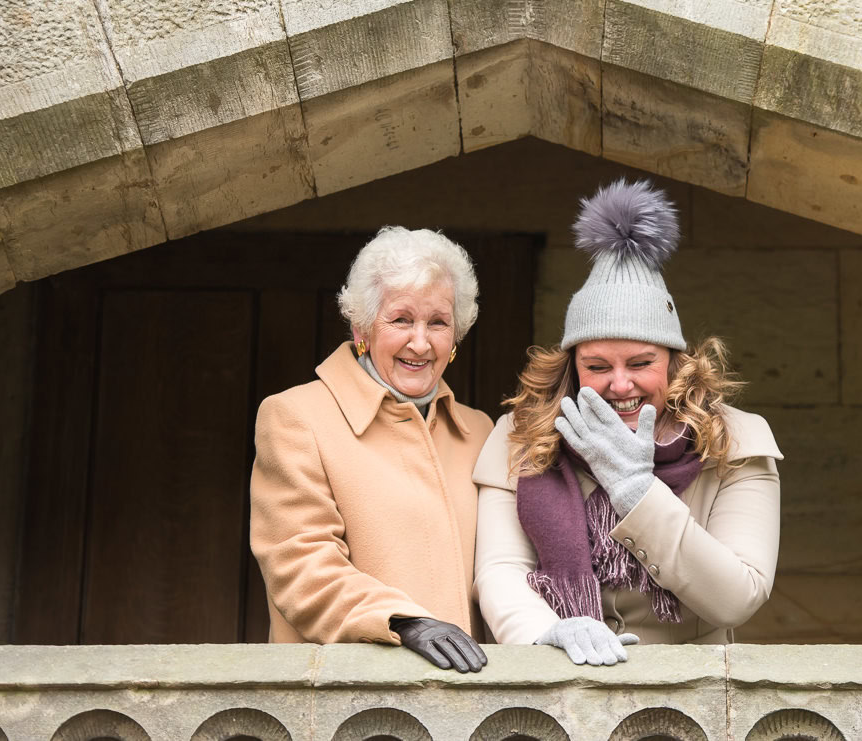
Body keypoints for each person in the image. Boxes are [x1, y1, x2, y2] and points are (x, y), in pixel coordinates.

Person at [473, 180, 783, 666]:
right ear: (572, 368)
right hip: (555, 680)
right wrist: (547, 631)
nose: (620, 385)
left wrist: (637, 490)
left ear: (675, 363)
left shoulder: (735, 440)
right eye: (598, 367)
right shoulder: (519, 437)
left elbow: (737, 596)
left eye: (640, 363)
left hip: (688, 692)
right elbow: (501, 570)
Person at [251, 226, 493, 672]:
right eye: (401, 320)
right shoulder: (295, 417)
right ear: (362, 327)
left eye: (437, 322)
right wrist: (401, 622)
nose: (420, 343)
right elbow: (300, 567)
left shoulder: (479, 431)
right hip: (349, 701)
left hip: (470, 703)